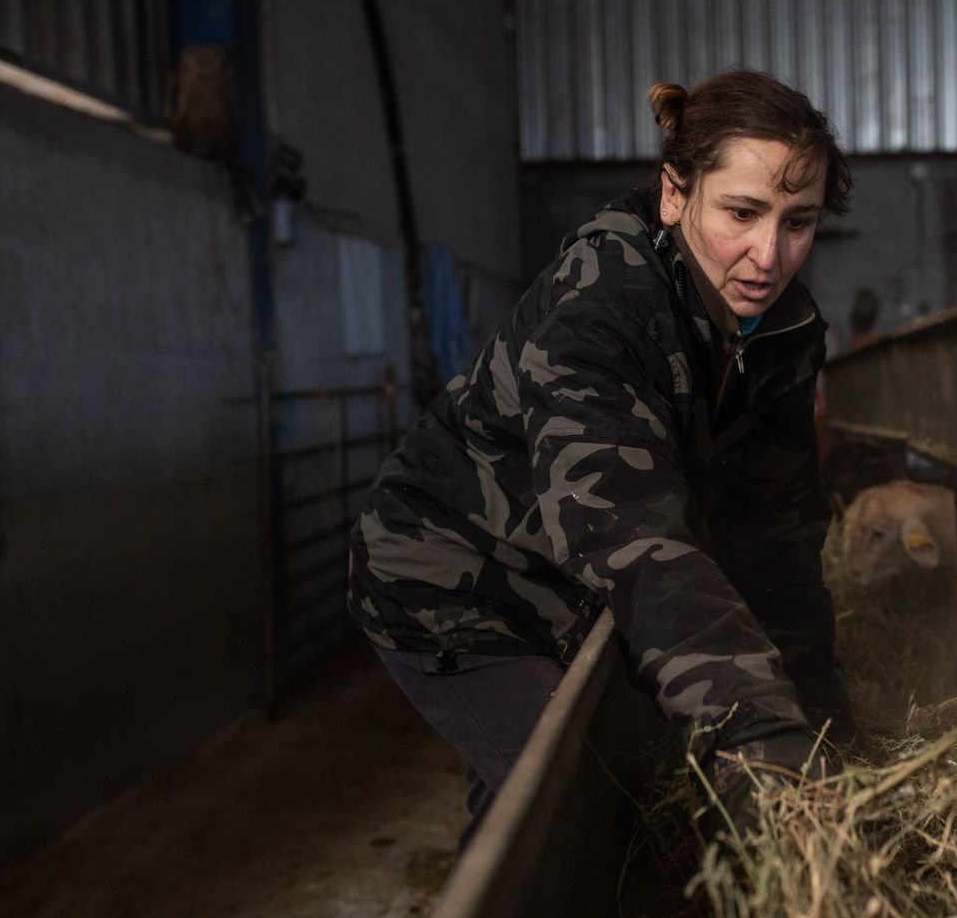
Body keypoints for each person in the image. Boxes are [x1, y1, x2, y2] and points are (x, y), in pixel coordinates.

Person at [347, 70, 855, 839]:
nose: (769, 254)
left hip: (566, 581)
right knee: (580, 798)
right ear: (674, 193)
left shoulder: (781, 333)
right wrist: (759, 744)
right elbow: (629, 533)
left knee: (548, 797)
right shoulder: (602, 311)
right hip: (456, 580)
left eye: (800, 222)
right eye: (742, 213)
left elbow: (774, 538)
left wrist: (822, 730)